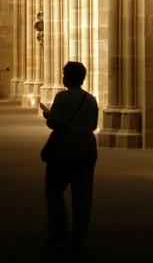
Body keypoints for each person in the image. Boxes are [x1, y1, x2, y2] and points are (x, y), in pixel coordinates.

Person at [41, 61, 99, 253]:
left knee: (54, 190)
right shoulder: (90, 99)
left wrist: (48, 115)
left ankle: (60, 233)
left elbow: (54, 123)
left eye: (64, 74)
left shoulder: (62, 97)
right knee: (82, 194)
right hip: (87, 146)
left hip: (65, 147)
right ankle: (79, 236)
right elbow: (92, 123)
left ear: (67, 77)